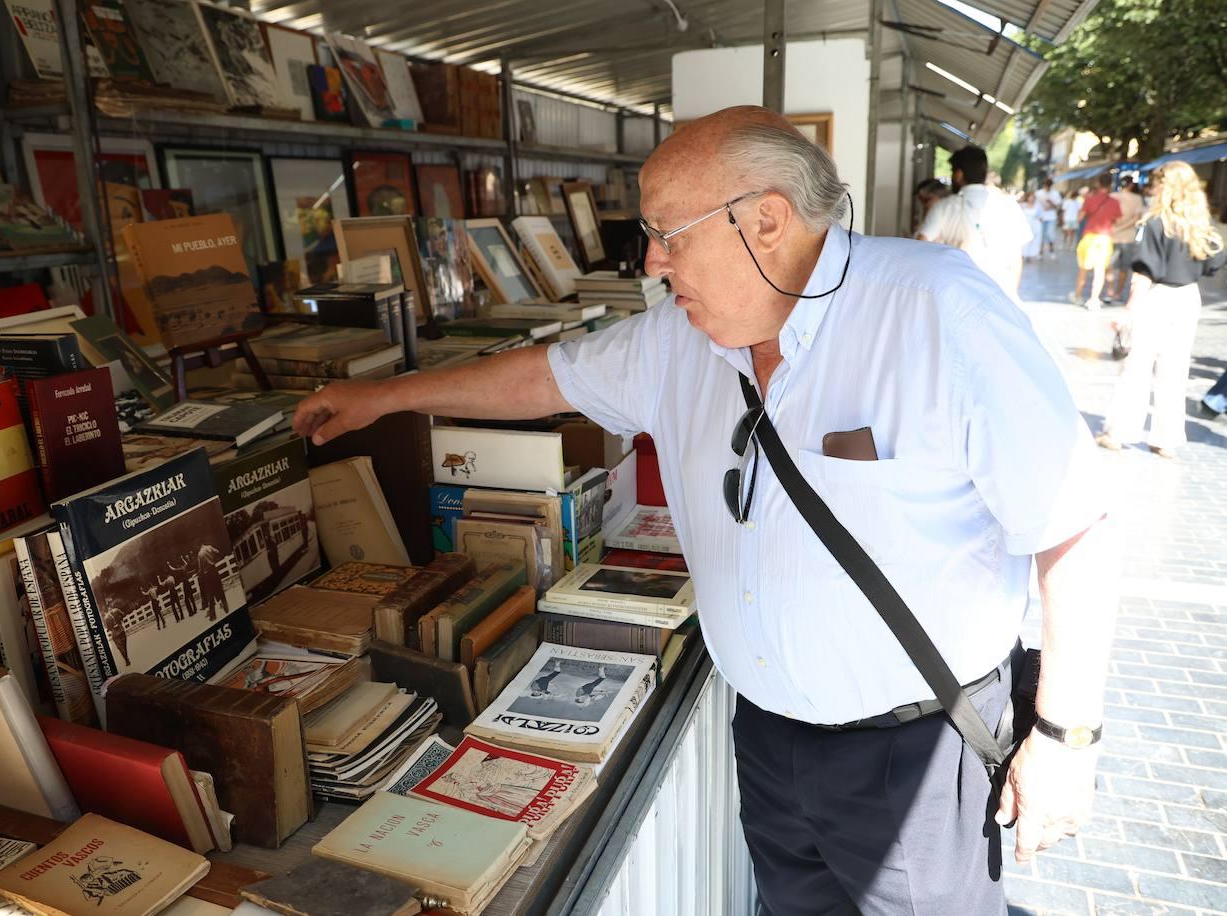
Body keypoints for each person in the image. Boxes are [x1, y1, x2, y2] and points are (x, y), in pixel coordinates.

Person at [292, 106, 1115, 914]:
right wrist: (384, 398)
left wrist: (1065, 740)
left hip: (918, 750)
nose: (651, 261)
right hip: (769, 739)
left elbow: (1070, 527)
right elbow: (541, 377)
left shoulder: (938, 311)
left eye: (667, 233)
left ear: (765, 221)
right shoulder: (673, 341)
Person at [1097, 160, 1227, 458]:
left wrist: (1128, 310)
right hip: (1188, 298)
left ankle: (1118, 431)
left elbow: (1144, 274)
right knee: (1175, 369)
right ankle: (1166, 438)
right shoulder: (1199, 226)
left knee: (1136, 365)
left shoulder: (1154, 224)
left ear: (1165, 187)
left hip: (1157, 295)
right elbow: (1215, 260)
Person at [917, 145, 1031, 301]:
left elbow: (921, 245)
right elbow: (1016, 259)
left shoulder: (944, 207)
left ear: (958, 174)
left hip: (959, 296)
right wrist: (1011, 296)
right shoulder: (1009, 205)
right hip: (1001, 296)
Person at [1069, 174, 1122, 310]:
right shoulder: (1114, 202)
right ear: (1110, 184)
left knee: (1083, 269)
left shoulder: (1089, 199)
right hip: (1105, 239)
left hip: (1090, 238)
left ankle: (1078, 295)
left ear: (1098, 183)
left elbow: (1080, 217)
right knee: (1100, 271)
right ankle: (1094, 299)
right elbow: (1117, 220)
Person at [1108, 175, 1146, 301]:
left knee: (1110, 266)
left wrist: (1116, 228)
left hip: (1112, 235)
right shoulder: (1137, 198)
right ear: (1131, 185)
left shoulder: (1112, 196)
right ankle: (1118, 292)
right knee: (1124, 267)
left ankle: (1110, 291)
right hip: (1128, 237)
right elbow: (1137, 219)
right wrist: (1123, 227)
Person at [1035, 177, 1063, 256]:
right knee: (1041, 235)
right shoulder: (1039, 193)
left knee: (1050, 234)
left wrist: (1051, 203)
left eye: (1049, 186)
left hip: (1051, 217)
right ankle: (1040, 252)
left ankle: (1051, 251)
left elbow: (1058, 205)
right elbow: (1036, 205)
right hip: (1041, 217)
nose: (1047, 187)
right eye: (1046, 186)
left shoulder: (1055, 193)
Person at [1020, 191, 1043, 262]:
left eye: (1033, 197)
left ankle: (1031, 255)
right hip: (1025, 224)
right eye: (1030, 197)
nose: (1031, 199)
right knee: (1024, 239)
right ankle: (1023, 254)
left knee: (1033, 240)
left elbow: (1041, 216)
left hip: (1035, 225)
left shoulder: (1037, 206)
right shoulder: (1022, 205)